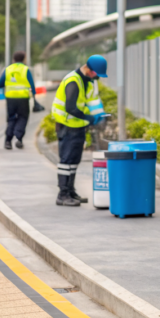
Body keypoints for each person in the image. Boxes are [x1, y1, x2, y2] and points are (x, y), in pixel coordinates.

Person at [51, 54, 108, 207]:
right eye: (97, 74)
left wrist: (100, 116)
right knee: (66, 160)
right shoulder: (73, 81)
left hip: (77, 126)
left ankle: (70, 191)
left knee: (74, 160)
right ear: (89, 69)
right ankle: (62, 194)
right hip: (67, 126)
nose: (97, 77)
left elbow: (91, 102)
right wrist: (89, 119)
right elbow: (70, 108)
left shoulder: (87, 82)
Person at [0, 51, 36, 150]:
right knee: (23, 117)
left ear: (13, 59)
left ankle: (8, 141)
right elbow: (32, 85)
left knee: (11, 118)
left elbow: (0, 84)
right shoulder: (26, 69)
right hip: (23, 98)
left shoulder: (8, 69)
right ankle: (19, 138)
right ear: (24, 59)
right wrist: (34, 95)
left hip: (10, 98)